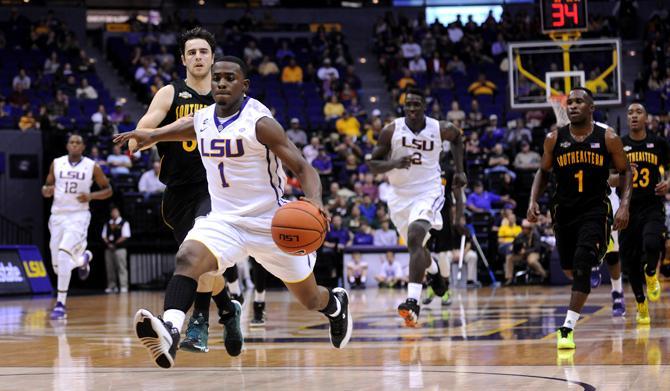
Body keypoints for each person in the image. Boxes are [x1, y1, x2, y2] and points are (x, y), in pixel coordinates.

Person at [115, 55, 353, 369]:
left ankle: (335, 305)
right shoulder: (204, 117)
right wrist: (153, 135)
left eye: (230, 78)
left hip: (271, 223)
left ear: (244, 85)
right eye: (218, 79)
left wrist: (315, 201)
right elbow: (191, 127)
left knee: (310, 299)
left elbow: (302, 167)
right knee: (188, 257)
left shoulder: (260, 122)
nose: (222, 83)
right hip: (224, 220)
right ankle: (170, 329)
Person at [130, 27, 241, 356]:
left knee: (201, 252)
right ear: (182, 59)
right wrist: (139, 137)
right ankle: (229, 309)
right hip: (178, 192)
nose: (197, 57)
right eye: (191, 52)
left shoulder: (226, 95)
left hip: (216, 189)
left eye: (203, 51)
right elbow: (148, 121)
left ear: (213, 56)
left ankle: (198, 323)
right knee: (201, 266)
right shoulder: (170, 93)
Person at [527, 87, 632, 350]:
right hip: (563, 211)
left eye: (578, 102)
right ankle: (590, 265)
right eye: (569, 102)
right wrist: (532, 201)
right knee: (570, 269)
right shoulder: (554, 138)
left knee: (582, 266)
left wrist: (624, 205)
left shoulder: (608, 137)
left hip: (595, 210)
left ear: (591, 108)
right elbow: (542, 172)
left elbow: (626, 171)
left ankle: (567, 327)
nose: (572, 106)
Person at [368, 87, 466, 327]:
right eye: (408, 105)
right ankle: (435, 275)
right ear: (404, 107)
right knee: (418, 248)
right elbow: (373, 164)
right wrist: (394, 162)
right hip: (399, 197)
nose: (412, 109)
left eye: (416, 104)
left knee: (414, 238)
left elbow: (457, 137)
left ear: (424, 106)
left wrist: (461, 170)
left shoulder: (439, 128)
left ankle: (413, 301)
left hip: (428, 191)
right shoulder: (391, 130)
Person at [42, 134, 113, 319]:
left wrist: (91, 196)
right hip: (57, 216)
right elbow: (46, 186)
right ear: (67, 146)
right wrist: (46, 190)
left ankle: (60, 304)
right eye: (71, 142)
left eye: (78, 143)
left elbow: (108, 190)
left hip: (78, 216)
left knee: (64, 253)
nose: (74, 145)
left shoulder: (92, 166)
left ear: (83, 147)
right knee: (58, 266)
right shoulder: (56, 163)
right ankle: (83, 259)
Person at [615, 103, 668, 324]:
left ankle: (651, 273)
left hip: (652, 205)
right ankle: (640, 303)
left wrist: (668, 183)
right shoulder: (619, 145)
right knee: (629, 260)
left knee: (653, 244)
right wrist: (624, 176)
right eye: (630, 113)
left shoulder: (659, 143)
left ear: (646, 118)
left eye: (638, 112)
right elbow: (607, 177)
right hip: (627, 209)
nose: (634, 116)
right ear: (627, 119)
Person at [503, 219, 546, 285]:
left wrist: (525, 251)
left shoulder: (535, 234)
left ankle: (544, 274)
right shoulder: (521, 234)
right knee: (509, 257)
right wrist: (512, 247)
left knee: (531, 261)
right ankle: (509, 278)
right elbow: (515, 242)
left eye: (525, 228)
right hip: (522, 254)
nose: (523, 229)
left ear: (529, 229)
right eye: (522, 227)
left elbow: (537, 248)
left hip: (533, 252)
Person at [102, 206, 131, 293]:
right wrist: (108, 244)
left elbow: (125, 235)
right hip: (109, 249)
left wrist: (115, 244)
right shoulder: (108, 223)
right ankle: (112, 286)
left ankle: (123, 286)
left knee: (121, 267)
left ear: (119, 212)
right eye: (113, 212)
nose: (114, 213)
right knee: (110, 268)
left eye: (116, 211)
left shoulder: (124, 223)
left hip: (120, 249)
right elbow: (104, 236)